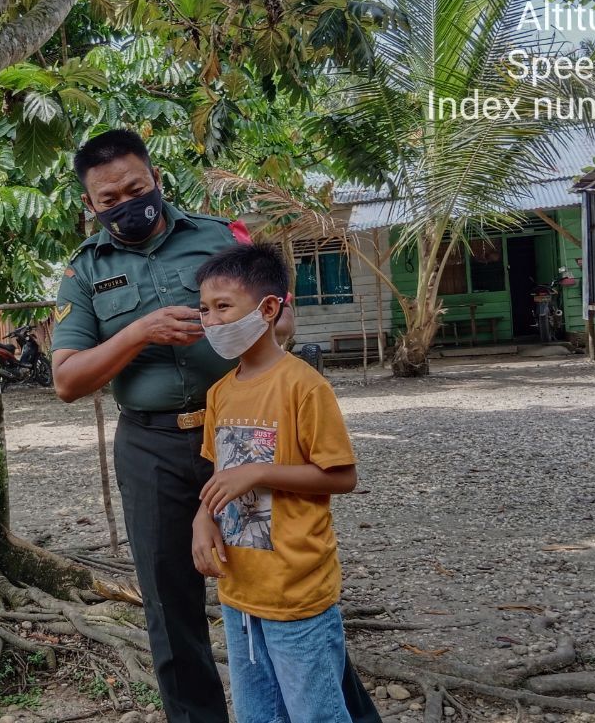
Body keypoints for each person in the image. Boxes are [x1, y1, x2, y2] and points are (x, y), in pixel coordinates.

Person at [52, 130, 382, 723]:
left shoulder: (218, 237)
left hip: (243, 432)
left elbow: (280, 324)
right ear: (91, 205)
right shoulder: (83, 273)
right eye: (109, 198)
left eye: (135, 187)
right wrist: (138, 332)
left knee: (279, 579)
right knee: (170, 603)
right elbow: (68, 382)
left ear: (156, 179)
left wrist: (246, 330)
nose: (126, 202)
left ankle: (341, 711)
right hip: (151, 445)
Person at [192, 243, 358, 723]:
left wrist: (260, 470)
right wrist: (203, 520)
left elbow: (341, 475)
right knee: (257, 713)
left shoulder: (303, 386)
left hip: (297, 592)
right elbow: (217, 474)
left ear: (267, 309)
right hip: (239, 591)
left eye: (224, 306)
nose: (212, 320)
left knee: (315, 713)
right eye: (204, 309)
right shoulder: (219, 393)